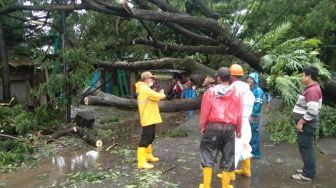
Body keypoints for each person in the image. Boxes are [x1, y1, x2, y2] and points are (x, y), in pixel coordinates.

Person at [199, 67, 243, 188]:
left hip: (213, 127)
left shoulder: (211, 92)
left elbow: (205, 111)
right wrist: (239, 129)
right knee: (228, 156)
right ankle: (226, 185)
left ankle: (206, 185)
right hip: (229, 129)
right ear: (231, 78)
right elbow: (239, 113)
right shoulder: (237, 93)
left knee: (207, 153)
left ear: (218, 78)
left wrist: (203, 126)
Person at [291, 66, 322, 181]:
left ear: (309, 76)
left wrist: (301, 122)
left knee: (306, 148)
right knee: (306, 147)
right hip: (307, 124)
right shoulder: (311, 88)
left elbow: (313, 110)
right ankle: (307, 168)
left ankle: (307, 174)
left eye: (303, 75)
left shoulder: (312, 90)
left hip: (307, 125)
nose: (301, 77)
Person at [135, 71, 166, 169]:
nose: (152, 80)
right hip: (147, 118)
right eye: (151, 78)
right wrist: (161, 94)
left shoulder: (146, 88)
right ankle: (141, 162)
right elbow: (158, 97)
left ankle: (148, 156)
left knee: (150, 137)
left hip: (151, 117)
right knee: (145, 139)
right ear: (146, 79)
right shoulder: (144, 88)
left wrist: (158, 95)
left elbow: (154, 99)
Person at [247, 72, 264, 159]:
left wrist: (252, 114)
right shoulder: (249, 89)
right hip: (248, 115)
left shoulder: (258, 91)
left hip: (254, 116)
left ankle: (255, 153)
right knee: (248, 133)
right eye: (248, 78)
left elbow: (258, 105)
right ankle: (249, 151)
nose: (249, 80)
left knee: (254, 133)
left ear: (255, 80)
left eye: (251, 79)